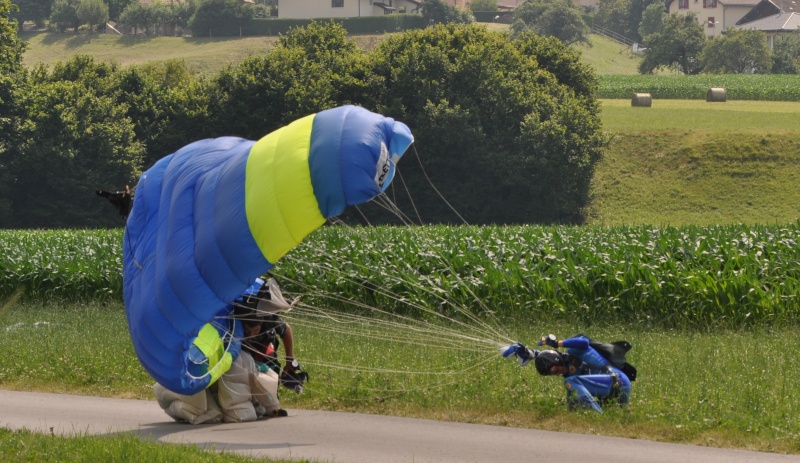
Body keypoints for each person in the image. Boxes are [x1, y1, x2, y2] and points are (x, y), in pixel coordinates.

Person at [502, 334, 633, 414]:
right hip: (613, 388)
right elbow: (546, 357)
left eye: (554, 370)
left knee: (570, 383)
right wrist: (529, 352)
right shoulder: (569, 371)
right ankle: (577, 417)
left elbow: (584, 341)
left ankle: (597, 415)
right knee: (572, 397)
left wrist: (557, 343)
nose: (556, 373)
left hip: (616, 380)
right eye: (551, 374)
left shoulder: (574, 351)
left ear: (557, 360)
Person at [237, 276, 308, 394]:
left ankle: (271, 398)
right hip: (243, 354)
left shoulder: (268, 318)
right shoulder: (235, 322)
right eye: (248, 331)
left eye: (255, 330)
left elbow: (286, 330)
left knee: (270, 370)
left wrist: (289, 358)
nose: (252, 334)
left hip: (263, 350)